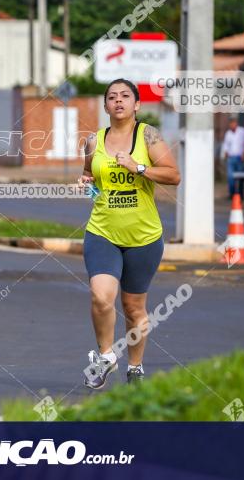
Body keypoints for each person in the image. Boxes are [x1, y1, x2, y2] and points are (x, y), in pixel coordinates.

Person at [78, 79, 181, 389]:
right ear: (106, 105)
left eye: (125, 96)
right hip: (102, 231)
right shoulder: (94, 141)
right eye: (112, 97)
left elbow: (173, 176)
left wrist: (138, 168)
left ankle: (135, 366)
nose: (118, 101)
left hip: (144, 237)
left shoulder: (148, 136)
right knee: (100, 296)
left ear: (137, 104)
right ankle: (106, 356)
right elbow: (89, 174)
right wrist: (85, 185)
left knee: (134, 307)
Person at [221, 116, 244, 199]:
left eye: (233, 123)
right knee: (230, 177)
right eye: (231, 124)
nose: (232, 125)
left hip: (240, 158)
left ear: (236, 123)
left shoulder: (243, 132)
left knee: (241, 177)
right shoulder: (228, 133)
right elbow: (225, 145)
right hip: (231, 158)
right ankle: (232, 194)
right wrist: (225, 152)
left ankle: (241, 194)